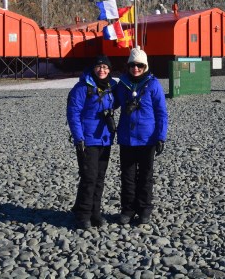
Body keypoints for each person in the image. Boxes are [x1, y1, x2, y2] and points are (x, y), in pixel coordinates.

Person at [114, 47, 168, 225]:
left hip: (147, 139)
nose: (135, 68)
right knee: (127, 177)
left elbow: (161, 113)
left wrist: (161, 136)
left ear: (145, 66)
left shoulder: (153, 85)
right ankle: (128, 209)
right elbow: (110, 102)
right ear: (128, 66)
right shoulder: (122, 85)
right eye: (132, 65)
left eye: (139, 65)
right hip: (127, 138)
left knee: (145, 176)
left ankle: (144, 209)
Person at [66, 55, 118, 229]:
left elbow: (119, 101)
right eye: (99, 67)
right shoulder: (82, 88)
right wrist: (78, 138)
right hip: (87, 139)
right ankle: (84, 215)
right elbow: (73, 113)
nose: (102, 70)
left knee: (100, 178)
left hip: (105, 138)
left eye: (105, 67)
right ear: (93, 68)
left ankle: (95, 212)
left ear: (109, 70)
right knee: (89, 177)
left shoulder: (111, 86)